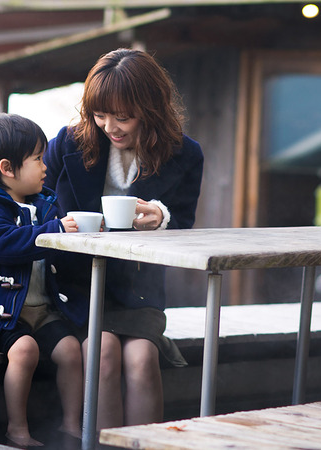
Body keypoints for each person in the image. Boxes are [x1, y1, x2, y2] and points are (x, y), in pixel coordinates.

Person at [44, 48, 204, 429]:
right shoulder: (69, 142)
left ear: (150, 108)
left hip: (138, 288)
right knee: (103, 353)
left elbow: (184, 222)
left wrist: (161, 218)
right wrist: (61, 224)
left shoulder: (184, 154)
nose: (109, 126)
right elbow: (36, 203)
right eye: (100, 114)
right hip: (78, 285)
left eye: (123, 117)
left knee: (143, 360)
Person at [0, 113, 84, 448]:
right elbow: (1, 245)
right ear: (7, 168)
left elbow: (55, 252)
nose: (45, 166)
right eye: (37, 159)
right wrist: (54, 233)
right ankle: (17, 430)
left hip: (40, 308)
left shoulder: (44, 203)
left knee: (71, 350)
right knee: (24, 351)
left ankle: (71, 425)